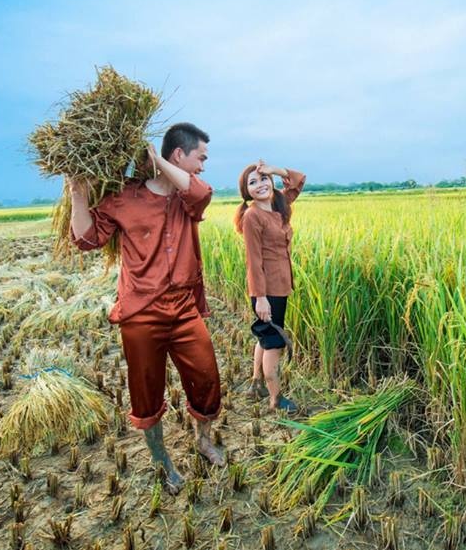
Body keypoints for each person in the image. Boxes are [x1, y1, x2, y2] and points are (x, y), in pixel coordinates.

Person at [67, 122, 224, 494]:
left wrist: (155, 160)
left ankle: (202, 439)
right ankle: (161, 460)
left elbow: (200, 192)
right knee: (146, 392)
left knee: (206, 379)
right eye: (200, 158)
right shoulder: (124, 198)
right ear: (178, 155)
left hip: (185, 308)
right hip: (140, 314)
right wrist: (77, 194)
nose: (203, 165)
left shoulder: (188, 200)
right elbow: (87, 239)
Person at [234, 160, 306, 413]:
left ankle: (256, 383)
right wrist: (260, 298)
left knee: (265, 336)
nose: (260, 184)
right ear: (246, 191)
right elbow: (253, 261)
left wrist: (273, 169)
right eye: (252, 182)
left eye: (263, 179)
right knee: (274, 343)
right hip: (267, 291)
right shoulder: (253, 217)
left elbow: (299, 179)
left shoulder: (279, 205)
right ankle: (276, 399)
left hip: (279, 286)